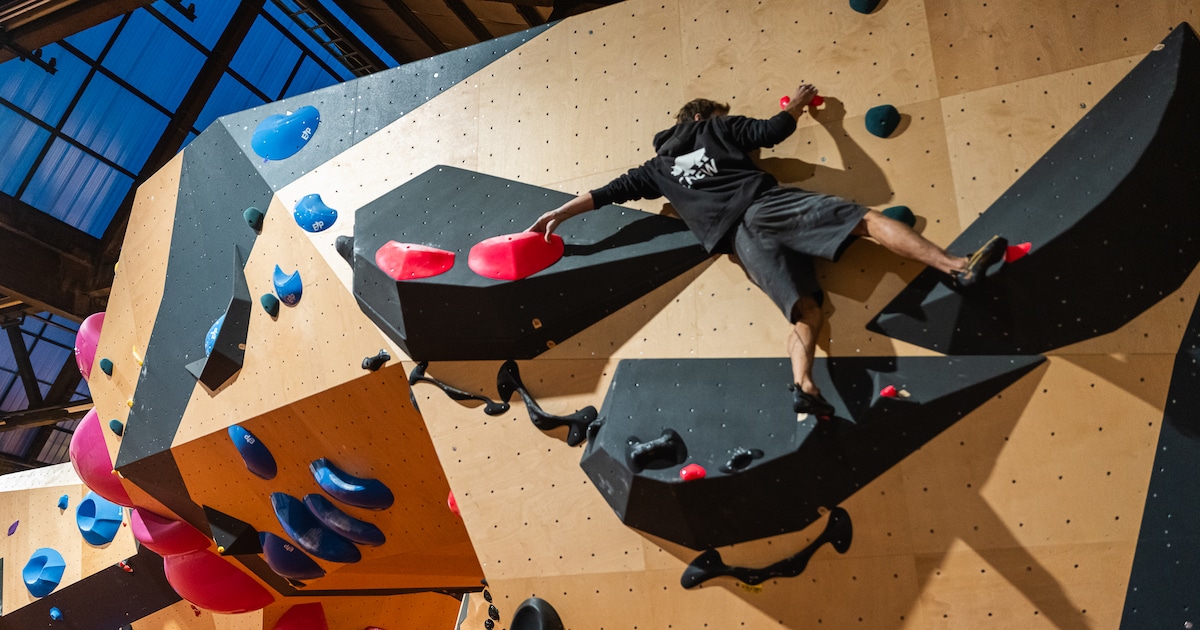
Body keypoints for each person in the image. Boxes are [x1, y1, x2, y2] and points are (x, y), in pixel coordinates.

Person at [527, 84, 1005, 417]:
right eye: (716, 114)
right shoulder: (715, 129)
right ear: (700, 116)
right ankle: (957, 267)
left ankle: (804, 387)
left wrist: (558, 216)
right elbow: (773, 131)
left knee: (806, 311)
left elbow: (609, 192)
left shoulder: (656, 169)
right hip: (767, 207)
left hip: (739, 244)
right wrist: (798, 104)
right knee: (866, 221)